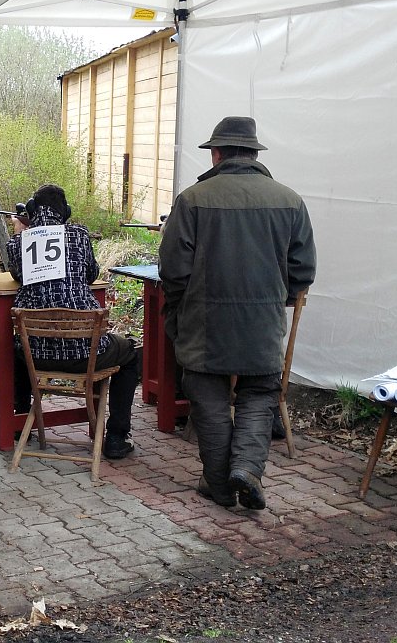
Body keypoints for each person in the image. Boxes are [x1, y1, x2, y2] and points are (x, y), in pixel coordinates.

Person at [158, 116, 316, 510]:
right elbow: (303, 271)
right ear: (254, 153)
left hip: (204, 325)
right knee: (259, 395)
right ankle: (245, 468)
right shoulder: (290, 200)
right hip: (262, 325)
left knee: (207, 395)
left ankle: (219, 484)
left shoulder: (192, 200)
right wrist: (272, 300)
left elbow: (173, 270)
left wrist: (179, 310)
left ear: (216, 154)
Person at [6, 184, 141, 460]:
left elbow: (18, 274)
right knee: (132, 353)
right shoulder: (79, 235)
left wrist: (21, 232)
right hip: (85, 354)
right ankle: (116, 437)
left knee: (17, 346)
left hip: (37, 358)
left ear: (32, 211)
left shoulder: (19, 242)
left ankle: (20, 421)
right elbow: (91, 274)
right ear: (65, 212)